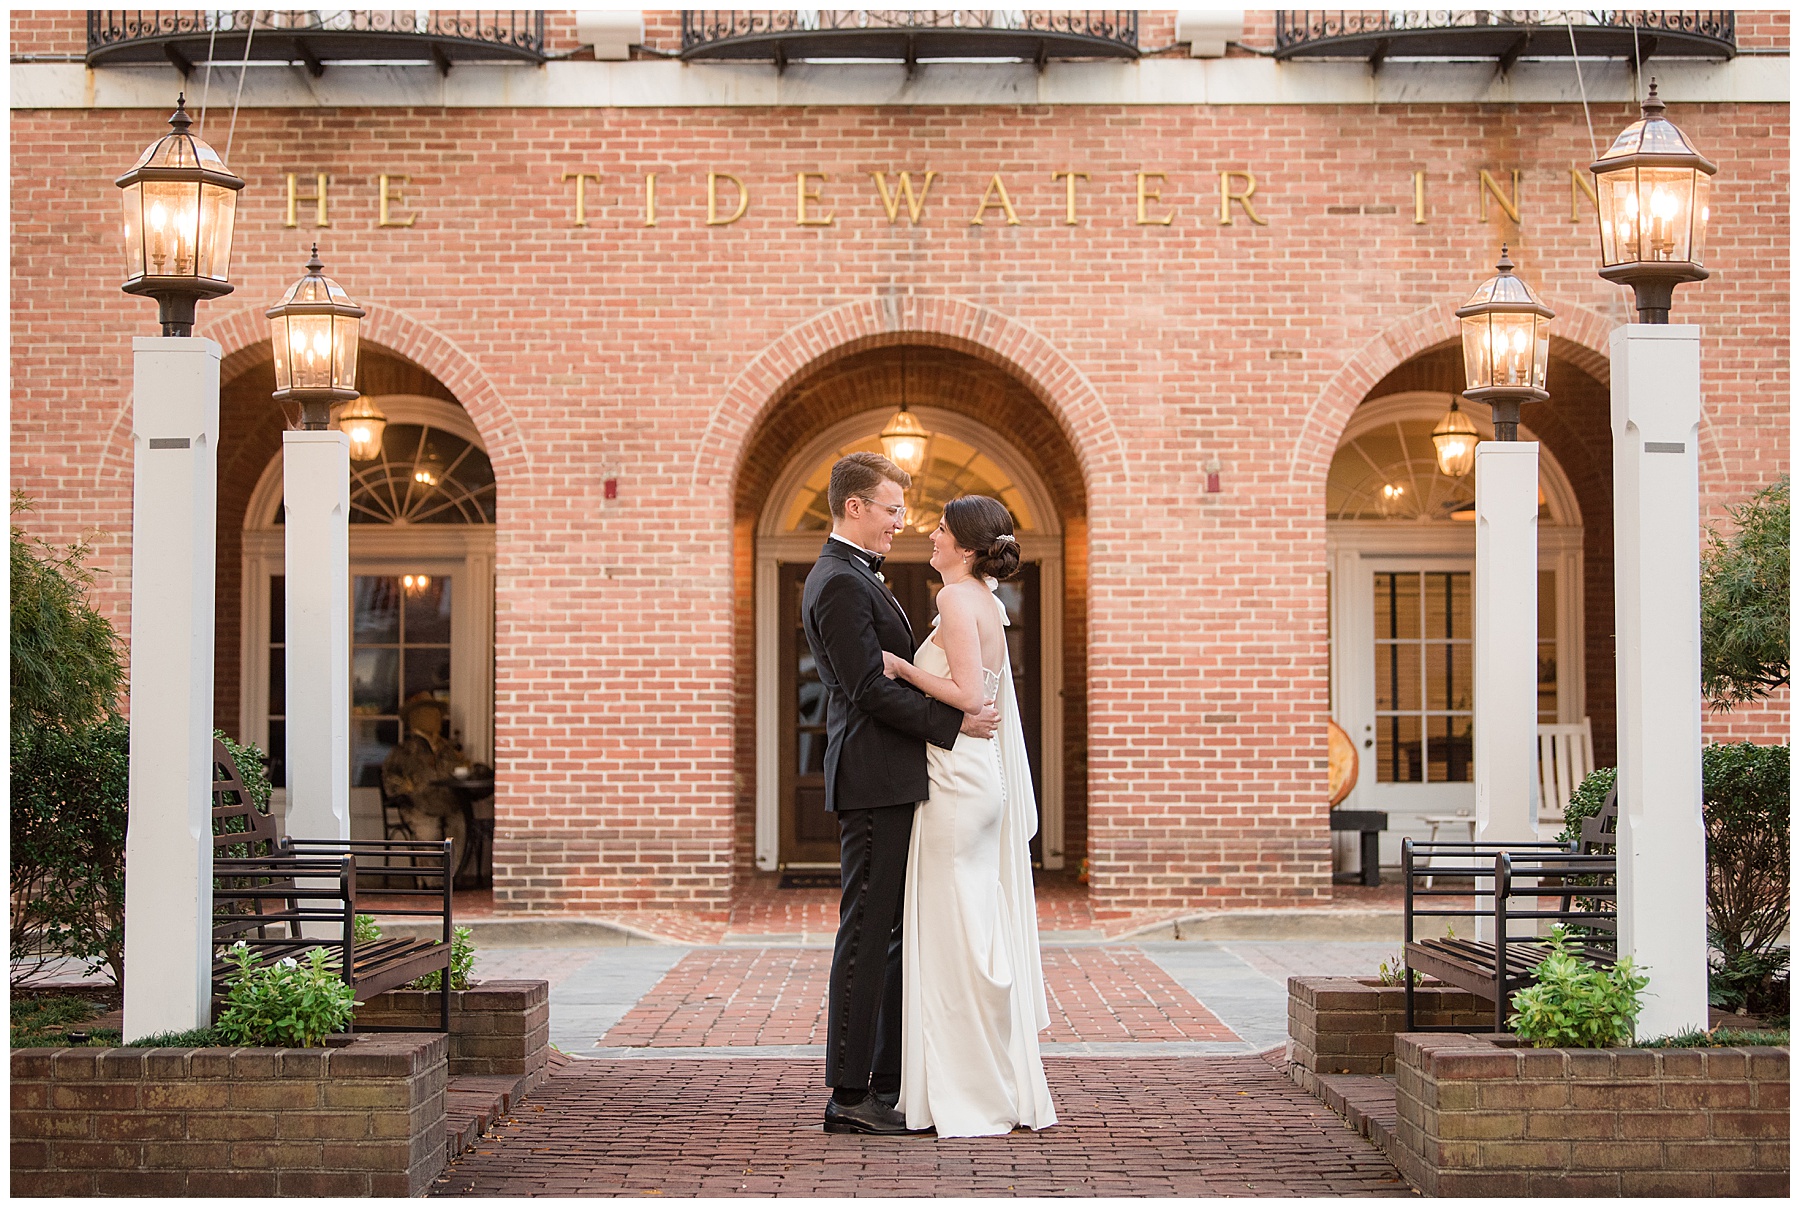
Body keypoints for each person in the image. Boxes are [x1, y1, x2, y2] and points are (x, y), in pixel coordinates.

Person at [802, 452, 999, 1136]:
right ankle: (850, 1096)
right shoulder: (839, 583)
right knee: (865, 932)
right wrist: (955, 722)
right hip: (873, 777)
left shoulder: (853, 578)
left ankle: (883, 1079)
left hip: (889, 775)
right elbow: (867, 689)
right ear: (855, 507)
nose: (899, 522)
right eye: (891, 509)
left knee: (886, 932)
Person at [882, 493, 1057, 1137]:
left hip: (957, 783)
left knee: (957, 935)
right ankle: (986, 1077)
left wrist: (899, 667)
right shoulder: (984, 600)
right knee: (969, 928)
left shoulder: (956, 600)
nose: (930, 534)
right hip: (970, 779)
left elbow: (965, 694)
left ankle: (971, 1088)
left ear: (966, 544)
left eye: (941, 528)